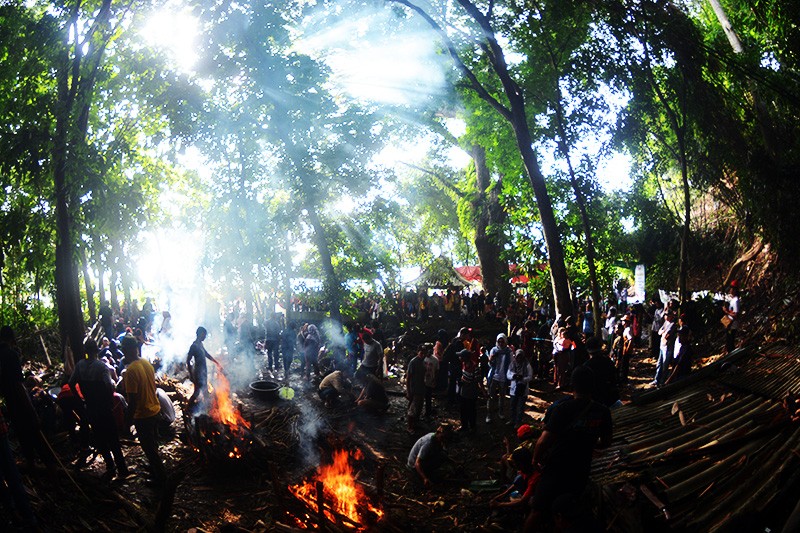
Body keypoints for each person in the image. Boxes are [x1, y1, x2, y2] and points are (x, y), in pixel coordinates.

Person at [525, 366, 612, 531]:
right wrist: (588, 443)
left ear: (573, 385)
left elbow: (544, 441)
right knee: (566, 512)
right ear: (592, 386)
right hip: (581, 469)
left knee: (538, 510)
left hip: (557, 467)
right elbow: (606, 442)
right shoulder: (602, 411)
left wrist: (535, 459)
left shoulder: (563, 409)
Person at [69, 339, 128, 481]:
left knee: (100, 438)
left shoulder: (80, 366)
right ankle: (122, 468)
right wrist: (109, 399)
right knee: (113, 437)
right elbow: (110, 386)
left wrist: (80, 399)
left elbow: (71, 383)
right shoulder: (102, 367)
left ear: (85, 351)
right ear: (96, 350)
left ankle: (110, 467)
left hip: (90, 407)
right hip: (104, 408)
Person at [0, 326, 57, 470]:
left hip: (11, 406)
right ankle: (51, 472)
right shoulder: (10, 355)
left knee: (24, 440)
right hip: (21, 405)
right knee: (37, 438)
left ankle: (32, 466)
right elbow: (18, 385)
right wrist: (31, 410)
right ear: (11, 339)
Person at [121, 334, 166, 486]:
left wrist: (126, 423)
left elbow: (132, 402)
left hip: (144, 415)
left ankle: (160, 479)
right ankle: (155, 470)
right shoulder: (146, 363)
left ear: (126, 350)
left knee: (149, 449)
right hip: (155, 410)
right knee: (153, 445)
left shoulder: (131, 371)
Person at [490, 447, 540, 513]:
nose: (514, 465)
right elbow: (516, 483)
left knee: (531, 502)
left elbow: (522, 501)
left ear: (521, 464)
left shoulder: (534, 477)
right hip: (527, 486)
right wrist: (503, 494)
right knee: (518, 478)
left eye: (515, 463)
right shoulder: (526, 468)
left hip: (538, 494)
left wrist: (499, 504)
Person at [186, 327, 221, 409]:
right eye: (204, 335)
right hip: (198, 373)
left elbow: (207, 354)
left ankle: (207, 409)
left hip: (203, 372)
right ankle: (187, 408)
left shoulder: (200, 344)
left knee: (205, 391)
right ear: (200, 334)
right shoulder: (194, 346)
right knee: (197, 392)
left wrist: (216, 362)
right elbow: (188, 361)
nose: (205, 337)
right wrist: (191, 374)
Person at [583, 337, 620, 409]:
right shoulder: (609, 362)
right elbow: (615, 380)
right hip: (609, 399)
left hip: (595, 401)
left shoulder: (586, 366)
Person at [486, 333, 512, 424]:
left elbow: (511, 365)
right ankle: (489, 414)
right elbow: (489, 364)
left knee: (502, 396)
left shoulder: (509, 352)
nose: (501, 343)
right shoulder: (494, 350)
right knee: (491, 396)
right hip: (494, 376)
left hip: (504, 377)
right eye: (499, 341)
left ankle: (501, 412)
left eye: (502, 341)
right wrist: (491, 359)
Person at [507, 349, 534, 426]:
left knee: (520, 407)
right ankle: (512, 420)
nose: (519, 358)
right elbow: (508, 375)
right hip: (513, 388)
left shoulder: (527, 365)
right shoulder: (512, 364)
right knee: (512, 406)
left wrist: (522, 378)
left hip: (523, 388)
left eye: (520, 356)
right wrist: (514, 376)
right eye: (518, 356)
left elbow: (530, 376)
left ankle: (518, 422)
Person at [457, 348, 480, 432]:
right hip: (463, 392)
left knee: (471, 410)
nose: (459, 358)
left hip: (471, 393)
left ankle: (472, 427)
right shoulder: (463, 364)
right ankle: (464, 426)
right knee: (463, 409)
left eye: (461, 356)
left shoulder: (475, 366)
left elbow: (477, 380)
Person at [652, 310, 677, 387]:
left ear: (671, 316)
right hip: (662, 346)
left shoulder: (673, 325)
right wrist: (663, 332)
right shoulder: (665, 323)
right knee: (659, 363)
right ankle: (657, 379)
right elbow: (659, 332)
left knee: (665, 365)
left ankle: (662, 381)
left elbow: (668, 335)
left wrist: (663, 332)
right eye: (665, 315)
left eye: (667, 315)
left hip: (668, 347)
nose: (665, 317)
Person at [406, 348, 427, 433]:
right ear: (418, 352)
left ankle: (415, 422)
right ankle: (409, 427)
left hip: (421, 388)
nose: (423, 355)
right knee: (413, 408)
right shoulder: (413, 362)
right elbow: (408, 377)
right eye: (421, 353)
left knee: (419, 407)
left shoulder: (423, 361)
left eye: (424, 353)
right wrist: (408, 391)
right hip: (414, 388)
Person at [723, 281, 741, 353]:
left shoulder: (736, 301)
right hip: (729, 324)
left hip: (732, 325)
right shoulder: (732, 299)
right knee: (728, 341)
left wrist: (726, 312)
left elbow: (736, 315)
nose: (730, 290)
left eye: (732, 289)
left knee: (730, 342)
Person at [422, 345, 439, 419]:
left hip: (430, 380)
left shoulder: (435, 360)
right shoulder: (423, 358)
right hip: (422, 380)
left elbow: (437, 371)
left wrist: (435, 379)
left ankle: (427, 412)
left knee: (428, 397)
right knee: (421, 397)